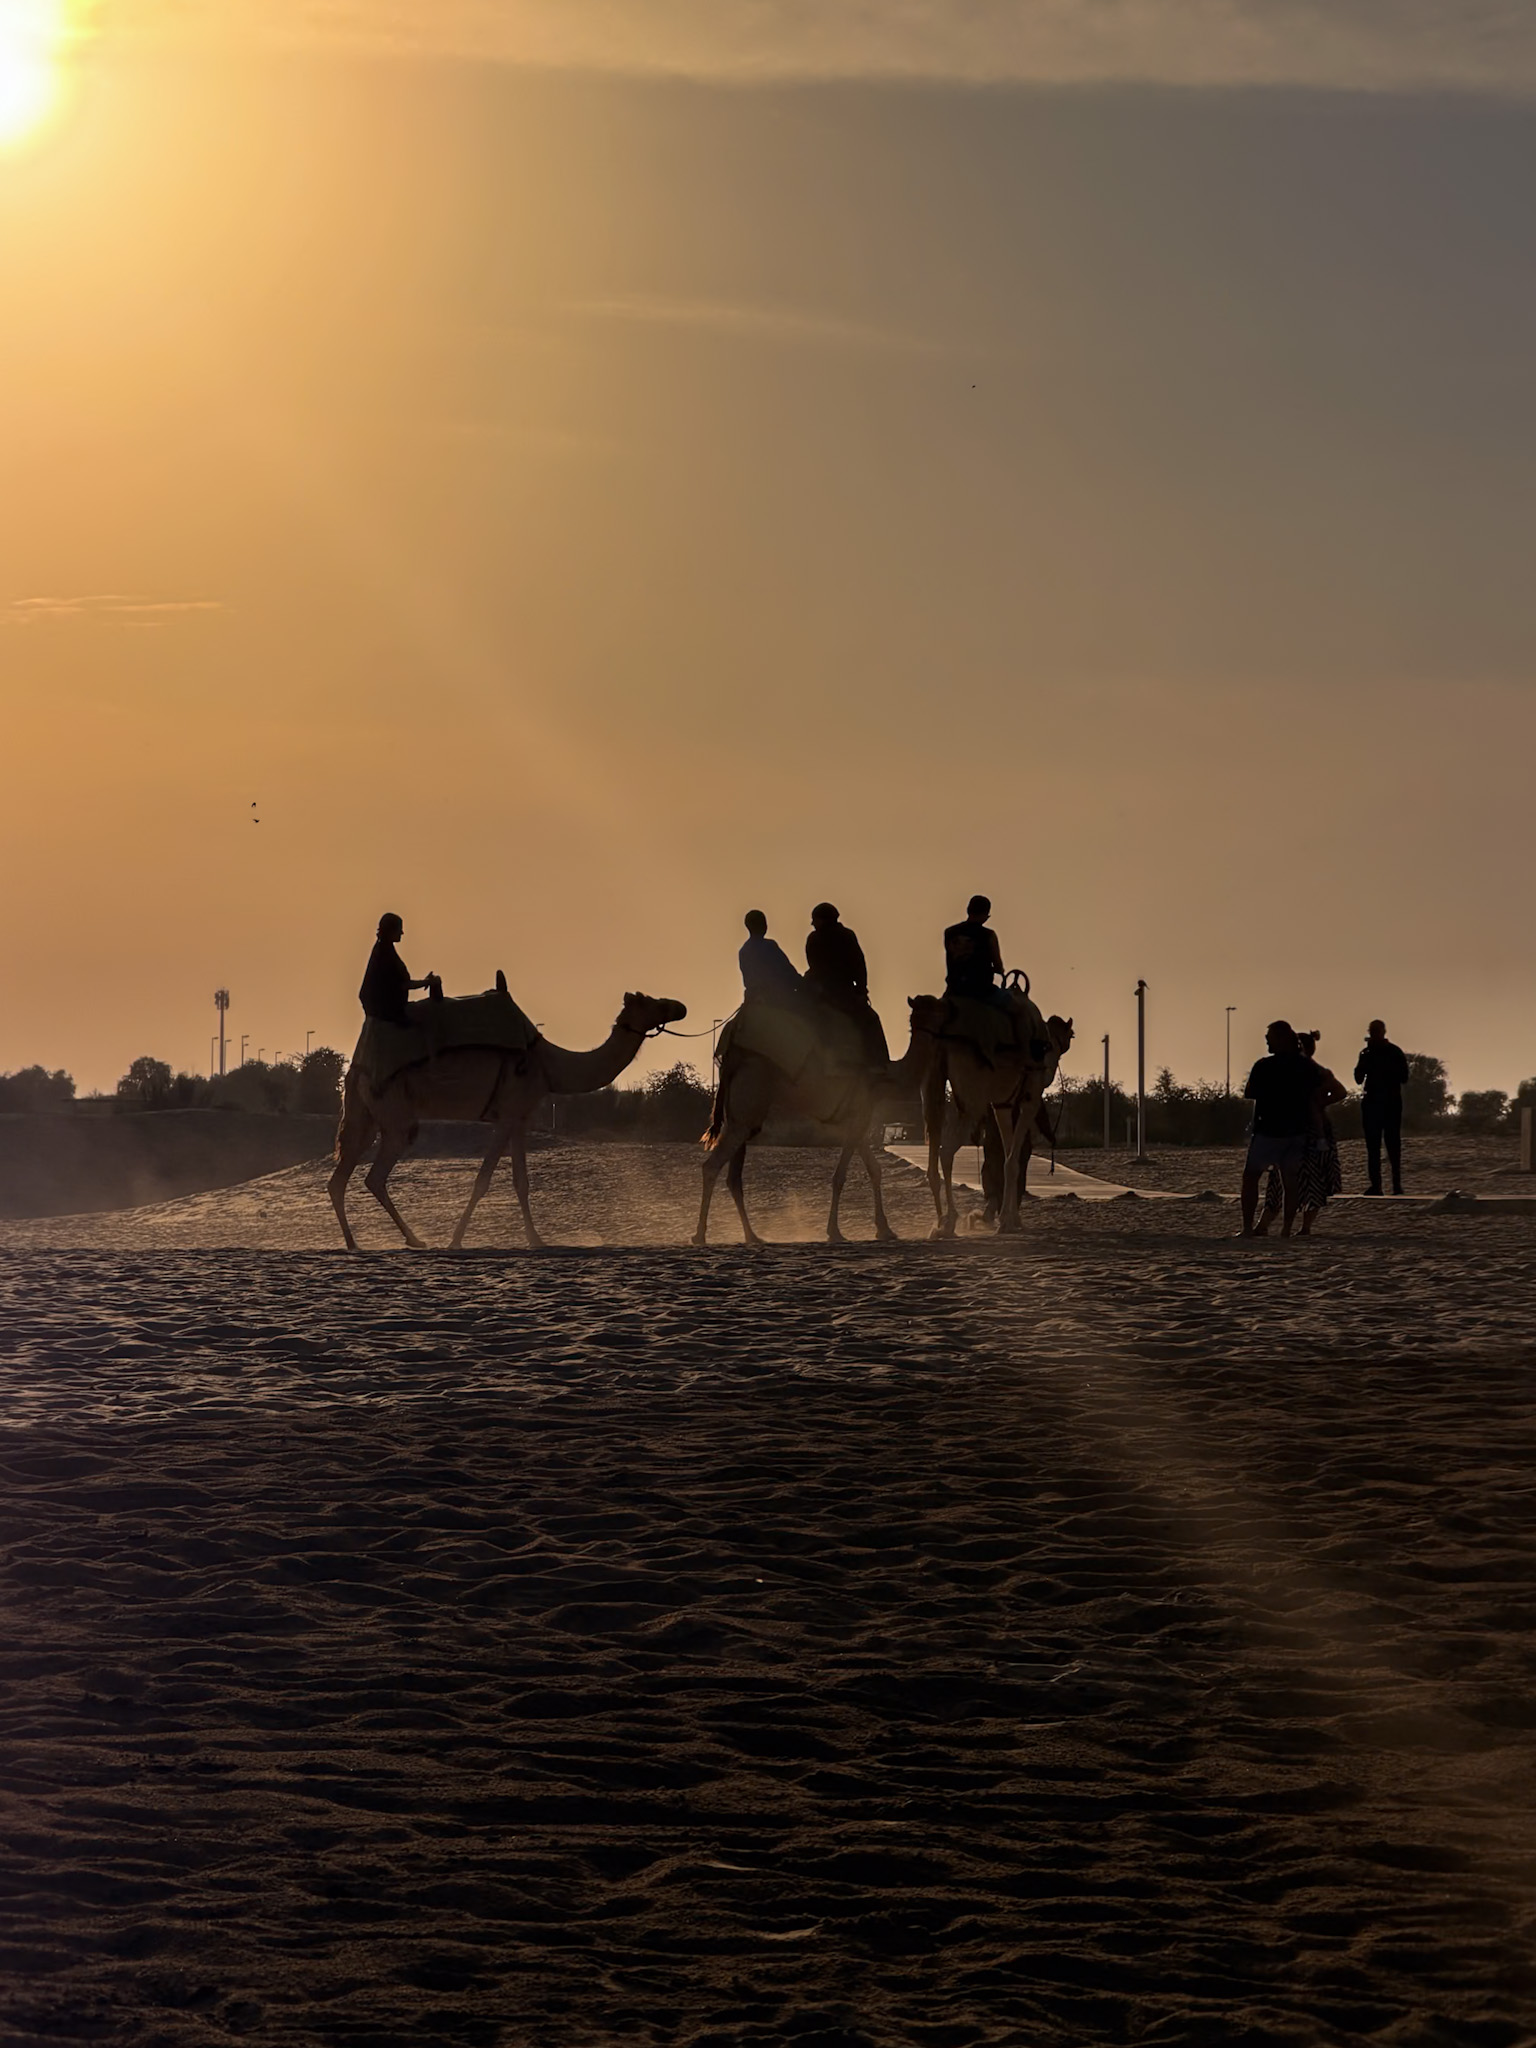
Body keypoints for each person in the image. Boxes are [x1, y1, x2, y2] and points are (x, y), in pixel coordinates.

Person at [1240, 1020, 1329, 1238]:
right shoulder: (1306, 1066)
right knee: (1290, 1181)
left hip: (1268, 1130)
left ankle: (1248, 1227)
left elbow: (1250, 1092)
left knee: (1251, 1177)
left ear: (1280, 1039)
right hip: (1296, 1129)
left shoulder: (1264, 1066)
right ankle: (1287, 1228)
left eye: (1269, 1037)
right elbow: (1317, 1094)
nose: (1267, 1041)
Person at [1257, 1030, 1346, 1237]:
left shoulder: (1315, 1071)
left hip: (1312, 1133)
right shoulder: (1292, 1070)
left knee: (1311, 1180)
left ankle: (1302, 1227)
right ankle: (1266, 1225)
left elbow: (1340, 1091)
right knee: (1279, 1180)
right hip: (1291, 1129)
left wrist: (1317, 1104)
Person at [804, 902, 889, 1067]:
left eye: (815, 920)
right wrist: (861, 990)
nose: (813, 924)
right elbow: (859, 963)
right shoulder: (847, 935)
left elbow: (813, 965)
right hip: (843, 993)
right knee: (871, 1021)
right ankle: (879, 1064)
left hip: (820, 991)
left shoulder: (813, 939)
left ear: (821, 919)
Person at [1354, 1018, 1410, 1195]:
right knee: (1377, 1146)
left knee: (1388, 1145)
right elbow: (1358, 1077)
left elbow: (1403, 1077)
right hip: (1381, 1102)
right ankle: (1382, 1185)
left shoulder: (1388, 1052)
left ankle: (1392, 1185)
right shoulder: (1372, 1053)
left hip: (1385, 1102)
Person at [359, 913, 437, 1027]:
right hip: (389, 1015)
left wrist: (425, 981)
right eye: (399, 929)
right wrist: (427, 982)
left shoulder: (385, 950)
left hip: (389, 1013)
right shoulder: (384, 955)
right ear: (390, 931)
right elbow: (402, 985)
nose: (402, 933)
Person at [944, 895, 1009, 1011]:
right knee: (1020, 1009)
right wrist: (1000, 971)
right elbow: (998, 966)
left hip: (954, 990)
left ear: (968, 910)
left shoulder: (949, 932)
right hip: (982, 991)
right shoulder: (989, 935)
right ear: (986, 916)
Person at [738, 910, 803, 1005]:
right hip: (775, 997)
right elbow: (787, 970)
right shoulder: (769, 946)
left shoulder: (743, 950)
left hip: (752, 998)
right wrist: (803, 984)